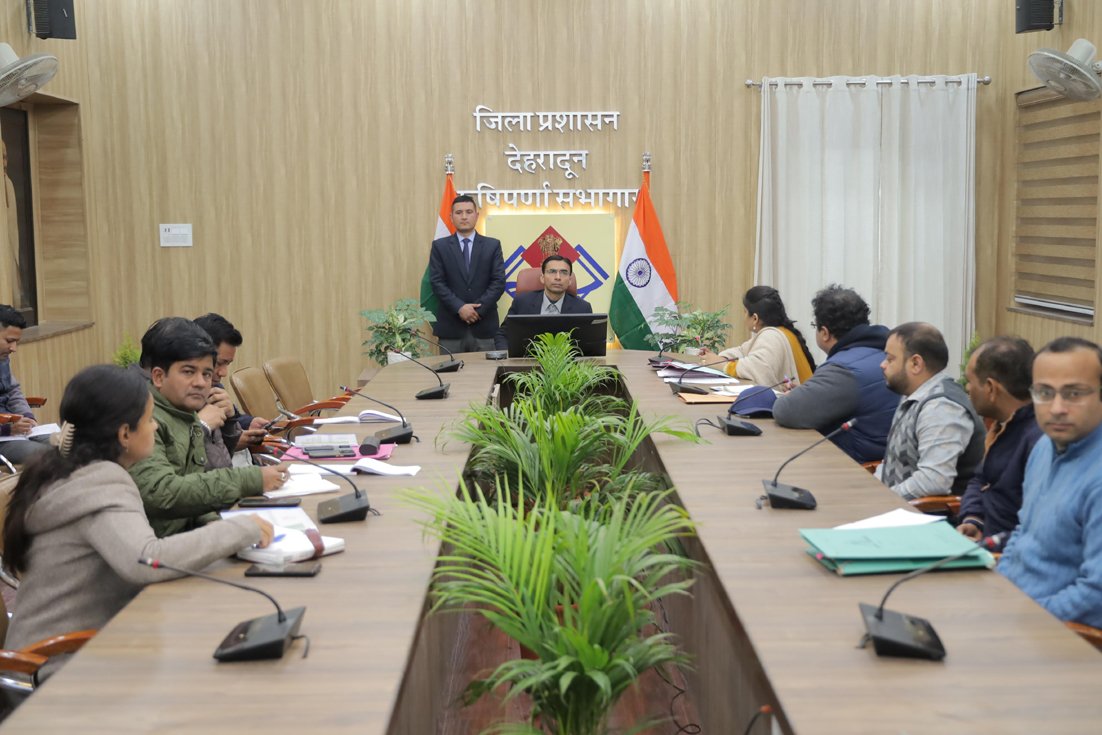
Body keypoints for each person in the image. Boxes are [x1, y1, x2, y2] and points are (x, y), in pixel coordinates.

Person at [1, 365, 273, 680]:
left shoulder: (75, 471)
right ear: (124, 434)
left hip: (76, 650)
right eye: (149, 419)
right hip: (52, 670)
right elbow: (147, 561)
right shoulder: (99, 484)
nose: (155, 427)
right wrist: (239, 529)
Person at [128, 317, 286, 537]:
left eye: (206, 374)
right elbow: (162, 493)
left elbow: (194, 495)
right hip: (163, 547)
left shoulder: (183, 409)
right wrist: (251, 480)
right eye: (188, 372)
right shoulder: (143, 418)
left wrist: (218, 525)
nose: (201, 382)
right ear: (159, 376)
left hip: (191, 536)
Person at [999, 337, 1102, 628]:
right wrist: (999, 590)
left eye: (1073, 394)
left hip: (1062, 636)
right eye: (1044, 393)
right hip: (1016, 612)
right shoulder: (1044, 446)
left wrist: (1023, 618)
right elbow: (1023, 533)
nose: (1057, 408)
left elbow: (1096, 597)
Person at [772, 285, 898, 463]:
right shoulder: (888, 353)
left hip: (856, 467)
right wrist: (807, 391)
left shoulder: (844, 368)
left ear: (824, 333)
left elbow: (785, 411)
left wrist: (793, 397)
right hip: (887, 457)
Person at [876, 322, 985, 499]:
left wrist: (881, 499)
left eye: (890, 359)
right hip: (895, 505)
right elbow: (894, 460)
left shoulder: (941, 408)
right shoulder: (913, 394)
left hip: (925, 513)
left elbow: (933, 482)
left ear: (916, 363)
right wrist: (871, 490)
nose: (882, 364)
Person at [957, 337, 1042, 544]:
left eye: (970, 381)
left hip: (1004, 554)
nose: (967, 388)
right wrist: (973, 518)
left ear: (990, 388)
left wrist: (989, 545)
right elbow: (980, 479)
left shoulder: (1038, 442)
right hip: (981, 542)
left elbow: (1037, 528)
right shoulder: (1001, 426)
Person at [428, 195, 506, 353]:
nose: (464, 217)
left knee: (486, 370)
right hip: (451, 328)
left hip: (484, 327)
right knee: (450, 369)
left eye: (469, 212)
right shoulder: (440, 246)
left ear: (477, 215)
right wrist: (459, 308)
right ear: (451, 217)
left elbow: (498, 282)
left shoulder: (492, 245)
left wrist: (476, 311)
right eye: (459, 212)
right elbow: (437, 282)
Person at [193, 313, 268, 464]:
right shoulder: (179, 400)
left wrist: (248, 422)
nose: (223, 372)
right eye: (219, 363)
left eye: (227, 364)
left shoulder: (215, 388)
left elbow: (233, 423)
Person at [717, 286, 815, 387]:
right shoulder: (781, 331)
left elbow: (756, 369)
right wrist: (721, 358)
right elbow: (742, 351)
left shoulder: (771, 336)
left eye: (745, 312)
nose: (744, 317)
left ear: (755, 318)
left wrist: (722, 365)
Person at [493, 254, 593, 350]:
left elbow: (589, 343)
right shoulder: (522, 302)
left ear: (570, 280)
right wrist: (507, 357)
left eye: (564, 272)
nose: (558, 277)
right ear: (542, 278)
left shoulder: (582, 308)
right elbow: (502, 335)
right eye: (552, 271)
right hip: (527, 359)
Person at [0, 305, 49, 466]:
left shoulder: (2, 358)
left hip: (14, 429)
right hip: (4, 435)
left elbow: (13, 391)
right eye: (9, 341)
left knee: (68, 444)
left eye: (16, 342)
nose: (14, 348)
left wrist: (27, 417)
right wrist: (8, 429)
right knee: (47, 456)